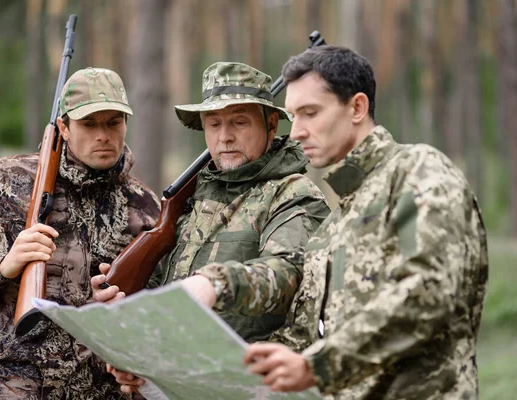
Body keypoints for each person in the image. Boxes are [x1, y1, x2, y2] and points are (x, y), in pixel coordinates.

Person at [242, 46, 489, 400]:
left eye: (310, 113)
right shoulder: (336, 219)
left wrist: (317, 367)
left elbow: (429, 294)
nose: (295, 132)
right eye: (293, 116)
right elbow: (305, 334)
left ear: (356, 107)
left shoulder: (418, 171)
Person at [92, 61, 330, 393]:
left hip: (254, 386)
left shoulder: (293, 194)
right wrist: (136, 354)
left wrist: (215, 283)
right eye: (214, 123)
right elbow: (163, 294)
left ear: (272, 125)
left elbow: (289, 272)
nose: (225, 136)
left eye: (239, 122)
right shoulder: (194, 201)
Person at [0, 67, 160, 399]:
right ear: (64, 128)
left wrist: (128, 303)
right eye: (89, 124)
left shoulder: (147, 208)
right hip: (9, 388)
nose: (103, 136)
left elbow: (158, 309)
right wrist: (2, 265)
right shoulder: (5, 182)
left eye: (113, 122)